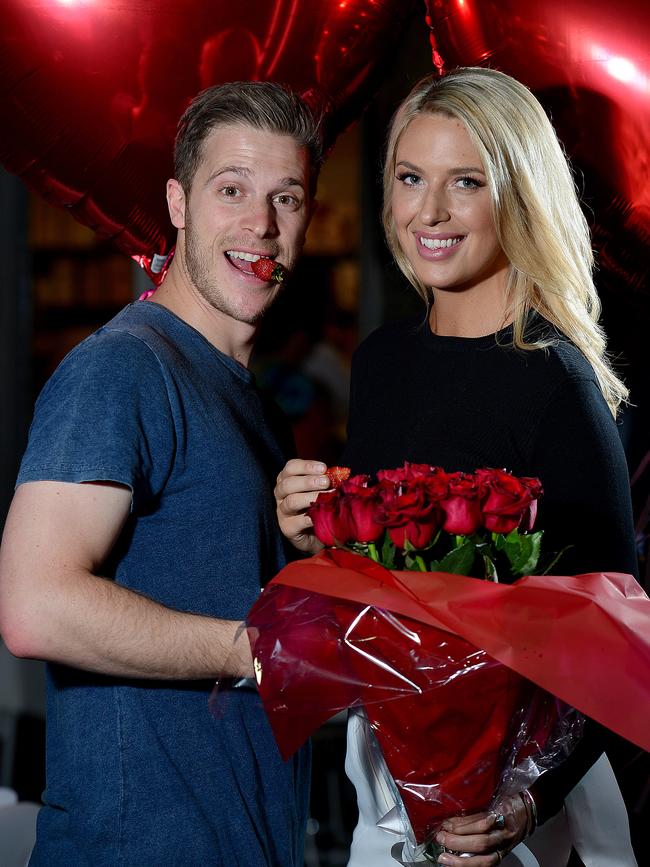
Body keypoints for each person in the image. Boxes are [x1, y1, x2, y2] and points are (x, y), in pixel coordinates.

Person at [273, 67, 641, 866]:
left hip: (521, 812)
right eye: (410, 178)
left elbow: (624, 644)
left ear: (518, 196)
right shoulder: (379, 364)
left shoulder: (556, 380)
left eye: (464, 182)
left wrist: (526, 800)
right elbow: (379, 591)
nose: (428, 212)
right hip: (388, 790)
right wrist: (312, 532)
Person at [0, 80, 322, 865]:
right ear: (177, 203)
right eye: (232, 190)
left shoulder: (255, 406)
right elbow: (33, 604)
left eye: (288, 197)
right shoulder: (124, 367)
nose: (261, 225)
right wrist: (252, 650)